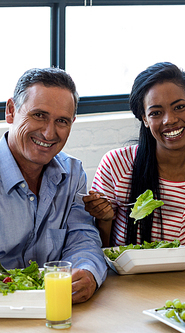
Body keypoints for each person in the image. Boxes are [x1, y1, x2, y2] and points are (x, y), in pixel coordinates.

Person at [84, 62, 185, 247]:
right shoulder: (116, 165)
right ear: (145, 119)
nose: (169, 120)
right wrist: (104, 220)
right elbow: (97, 252)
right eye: (156, 112)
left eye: (179, 107)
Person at [0, 68, 107, 303]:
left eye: (61, 121)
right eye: (39, 115)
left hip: (57, 309)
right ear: (11, 111)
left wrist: (88, 272)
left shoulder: (73, 173)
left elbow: (83, 238)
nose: (49, 133)